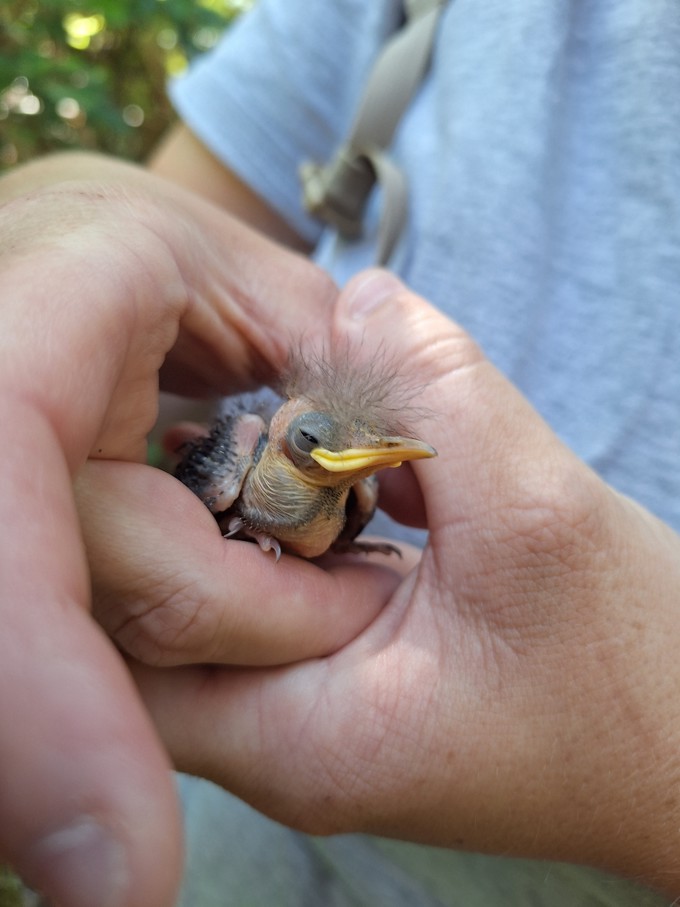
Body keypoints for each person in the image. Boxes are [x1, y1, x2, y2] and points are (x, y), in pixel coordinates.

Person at [1, 0, 679, 905]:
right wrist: (71, 219)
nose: (345, 475)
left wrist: (640, 746)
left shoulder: (345, 497)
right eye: (325, 451)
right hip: (226, 825)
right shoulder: (374, 12)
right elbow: (125, 203)